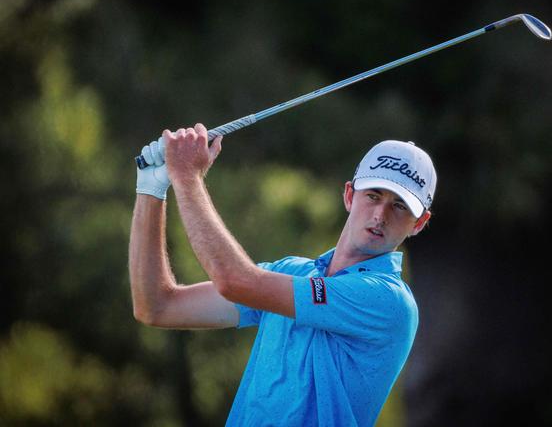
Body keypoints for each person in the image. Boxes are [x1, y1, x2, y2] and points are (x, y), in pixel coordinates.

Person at [129, 123, 437, 426]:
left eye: (399, 206)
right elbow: (156, 306)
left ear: (419, 223)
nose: (380, 215)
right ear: (349, 195)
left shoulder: (388, 301)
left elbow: (235, 281)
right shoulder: (290, 272)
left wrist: (186, 176)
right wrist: (151, 189)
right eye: (373, 195)